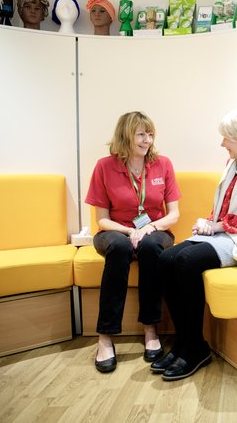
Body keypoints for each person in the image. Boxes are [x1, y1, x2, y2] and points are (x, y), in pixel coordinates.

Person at [150, 106, 237, 381]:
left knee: (188, 262)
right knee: (165, 260)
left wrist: (218, 226)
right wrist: (208, 222)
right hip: (228, 233)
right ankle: (187, 343)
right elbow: (223, 209)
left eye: (226, 138)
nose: (222, 143)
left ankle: (194, 348)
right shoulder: (233, 165)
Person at [85, 111, 181, 373]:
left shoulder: (163, 164)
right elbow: (102, 220)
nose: (147, 139)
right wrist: (130, 232)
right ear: (125, 135)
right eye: (140, 134)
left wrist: (148, 227)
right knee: (120, 247)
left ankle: (151, 330)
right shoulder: (104, 166)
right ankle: (105, 337)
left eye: (150, 134)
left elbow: (173, 214)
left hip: (155, 229)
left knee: (151, 247)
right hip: (115, 231)